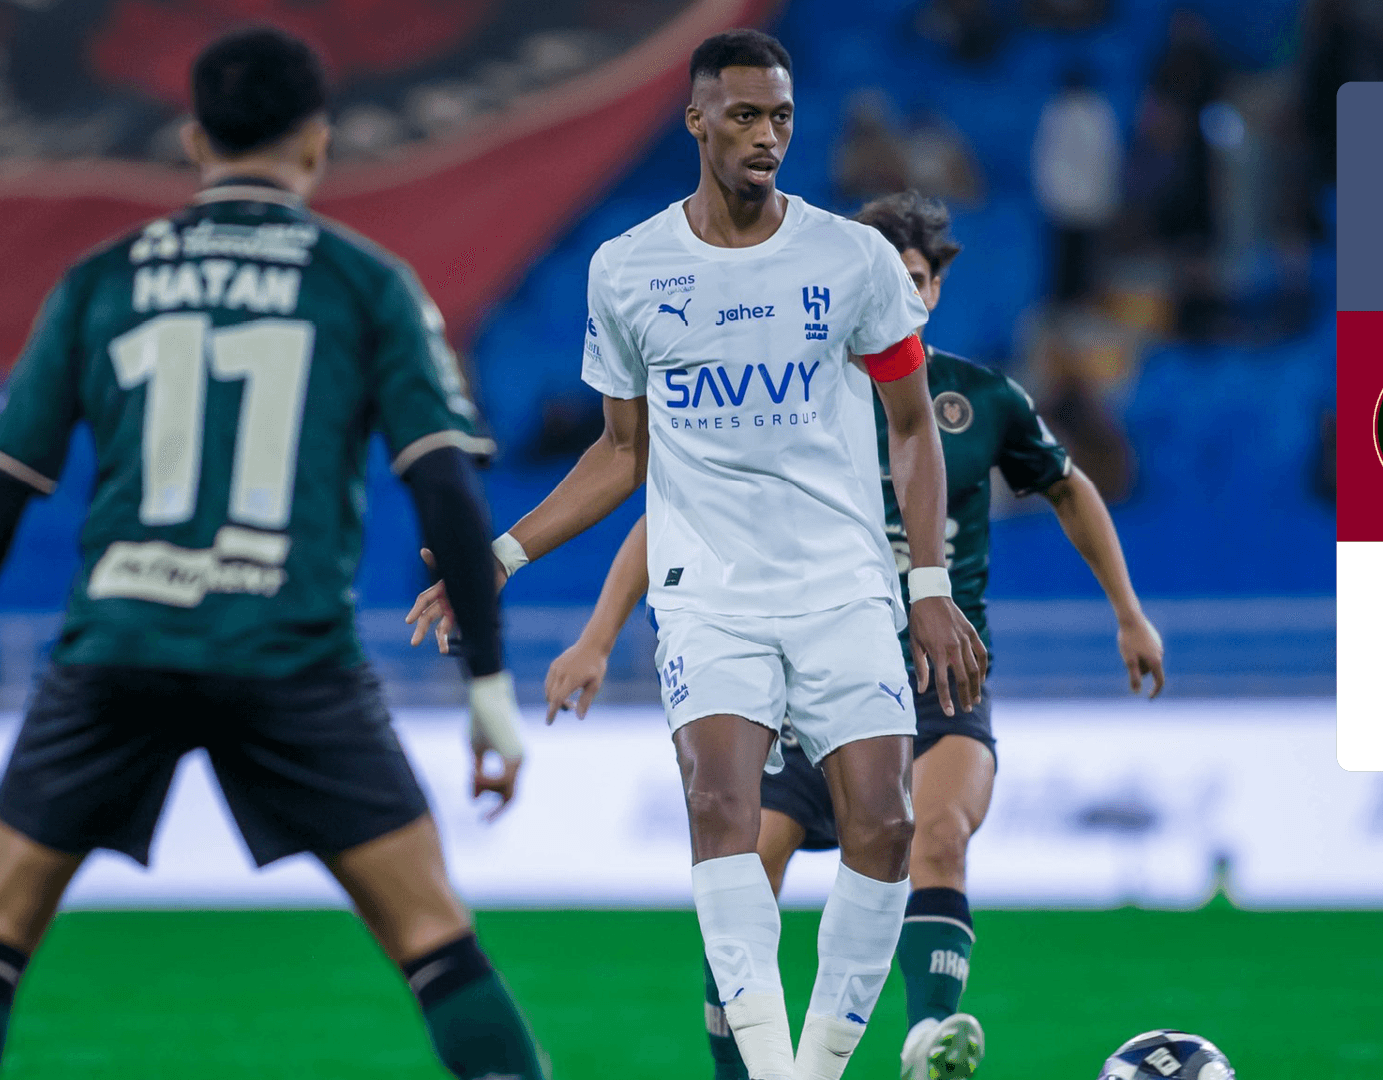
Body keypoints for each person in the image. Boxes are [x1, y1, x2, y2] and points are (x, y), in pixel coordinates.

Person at [0, 29, 547, 1080]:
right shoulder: (364, 282)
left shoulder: (102, 279)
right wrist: (486, 685)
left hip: (119, 645)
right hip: (290, 652)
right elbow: (444, 489)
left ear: (194, 139)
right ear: (319, 141)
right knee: (435, 935)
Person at [407, 30, 987, 1080]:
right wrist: (499, 556)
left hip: (845, 584)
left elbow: (912, 427)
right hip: (707, 592)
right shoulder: (627, 270)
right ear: (697, 119)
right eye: (746, 115)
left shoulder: (851, 260)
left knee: (886, 826)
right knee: (721, 808)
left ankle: (815, 1068)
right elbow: (620, 452)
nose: (767, 136)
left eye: (782, 117)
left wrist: (930, 585)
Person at [542, 191, 1166, 1080]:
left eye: (915, 281)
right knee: (747, 870)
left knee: (935, 834)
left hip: (937, 677)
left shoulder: (979, 399)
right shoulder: (794, 392)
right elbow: (674, 509)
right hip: (803, 672)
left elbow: (1069, 487)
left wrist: (1129, 612)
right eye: (885, 278)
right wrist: (598, 635)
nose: (897, 295)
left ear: (935, 289)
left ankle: (928, 1035)